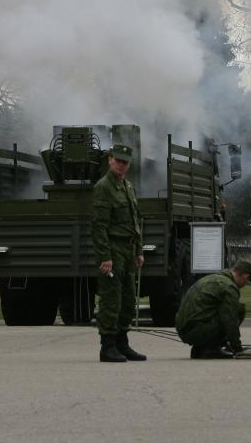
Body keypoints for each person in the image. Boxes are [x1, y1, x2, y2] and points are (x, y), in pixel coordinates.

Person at [92, 143, 147, 362]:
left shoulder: (128, 187)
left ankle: (122, 343)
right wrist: (105, 256)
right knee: (111, 298)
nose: (121, 165)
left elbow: (135, 221)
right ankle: (107, 346)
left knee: (127, 299)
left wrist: (139, 251)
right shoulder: (103, 187)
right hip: (113, 249)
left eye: (125, 162)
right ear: (110, 160)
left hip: (128, 249)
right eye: (118, 160)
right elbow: (99, 225)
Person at [175, 259, 251, 359]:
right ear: (245, 276)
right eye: (246, 282)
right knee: (239, 310)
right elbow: (230, 319)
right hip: (196, 331)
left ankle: (201, 348)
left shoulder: (211, 278)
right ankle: (212, 348)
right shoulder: (229, 287)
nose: (244, 286)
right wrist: (237, 348)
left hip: (184, 330)